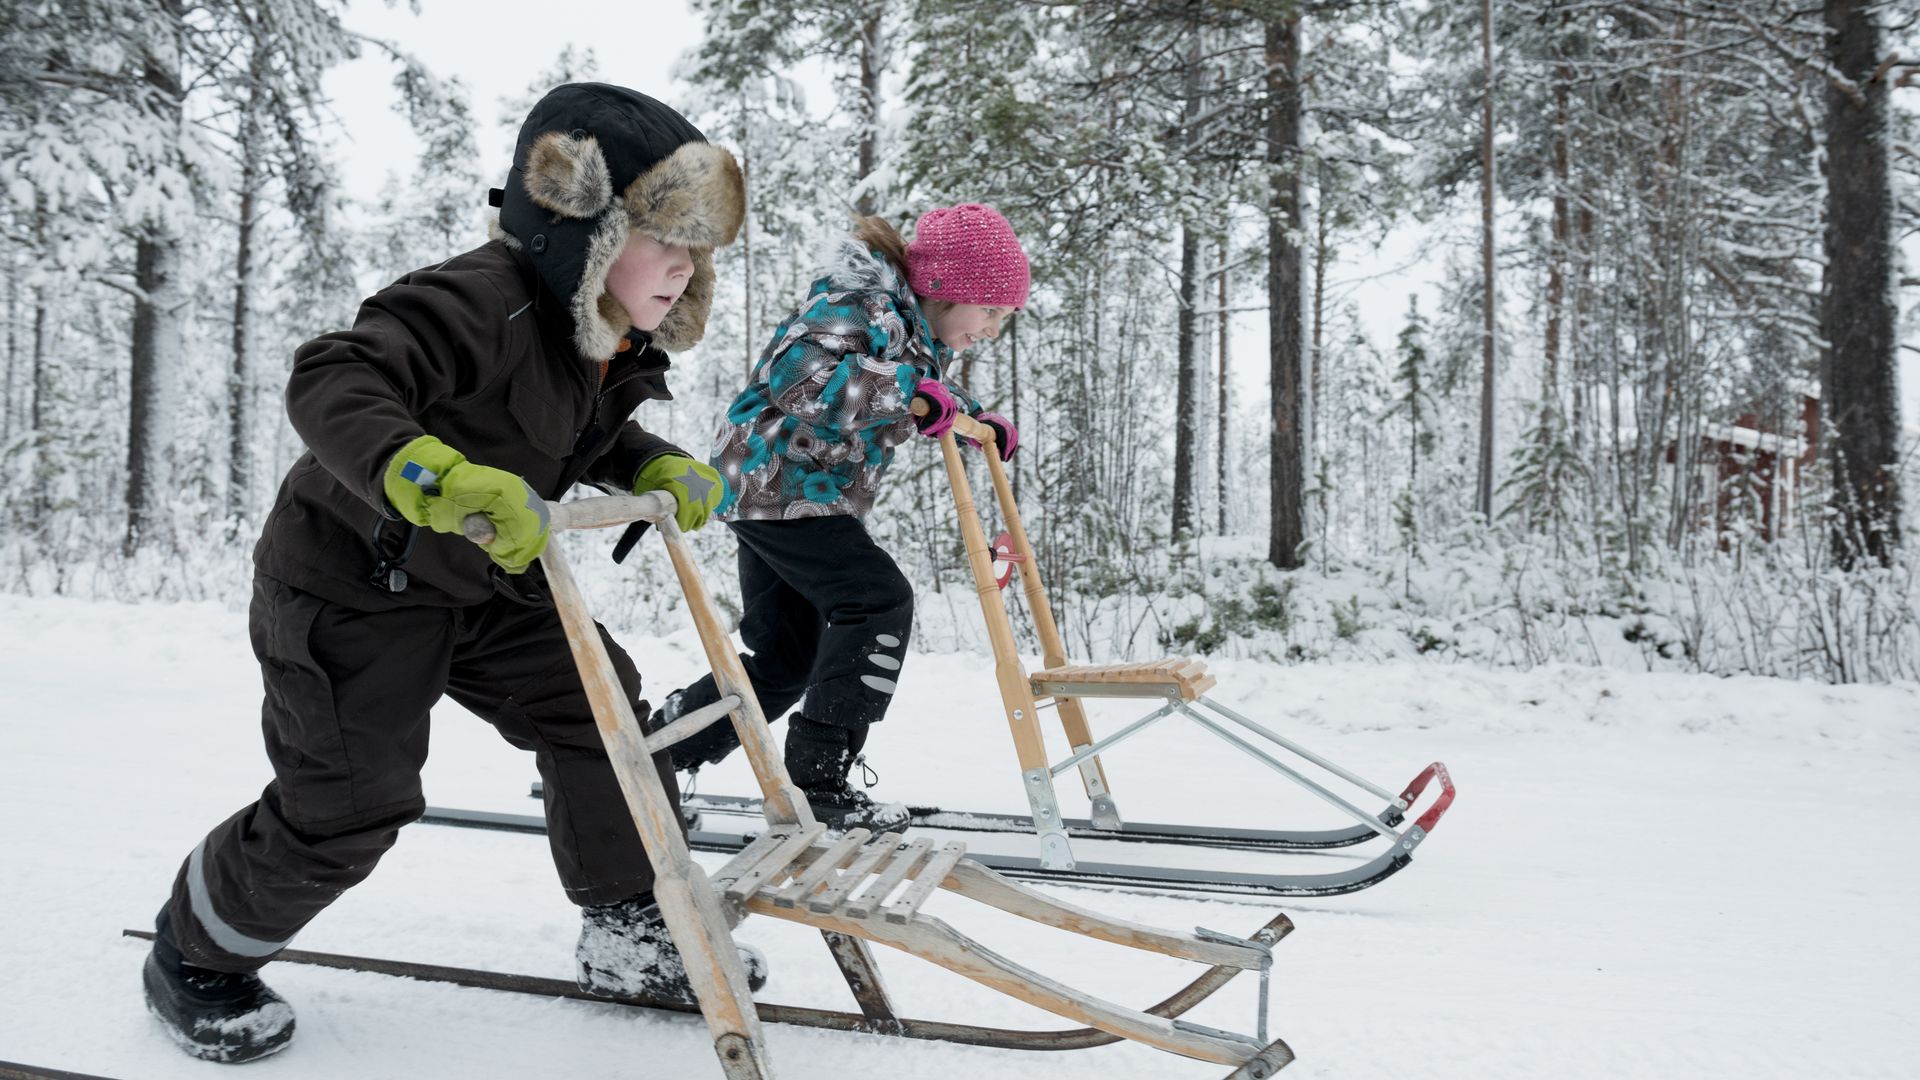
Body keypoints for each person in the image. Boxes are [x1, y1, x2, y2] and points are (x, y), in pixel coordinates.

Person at [141, 83, 764, 1063]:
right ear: (581, 230)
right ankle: (197, 953)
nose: (685, 266)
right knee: (351, 805)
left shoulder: (602, 337)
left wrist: (642, 459)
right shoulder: (485, 299)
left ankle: (627, 924)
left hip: (486, 581)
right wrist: (424, 474)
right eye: (664, 238)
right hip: (356, 581)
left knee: (604, 717)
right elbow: (337, 374)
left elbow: (571, 430)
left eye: (698, 249)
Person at [657, 204, 1027, 831]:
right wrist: (909, 394)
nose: (992, 329)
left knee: (786, 660)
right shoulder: (859, 304)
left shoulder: (911, 330)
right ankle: (820, 775)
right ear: (943, 289)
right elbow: (795, 379)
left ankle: (659, 751)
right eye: (989, 311)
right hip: (783, 487)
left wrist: (968, 414)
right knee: (877, 600)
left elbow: (909, 382)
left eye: (1004, 318)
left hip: (781, 493)